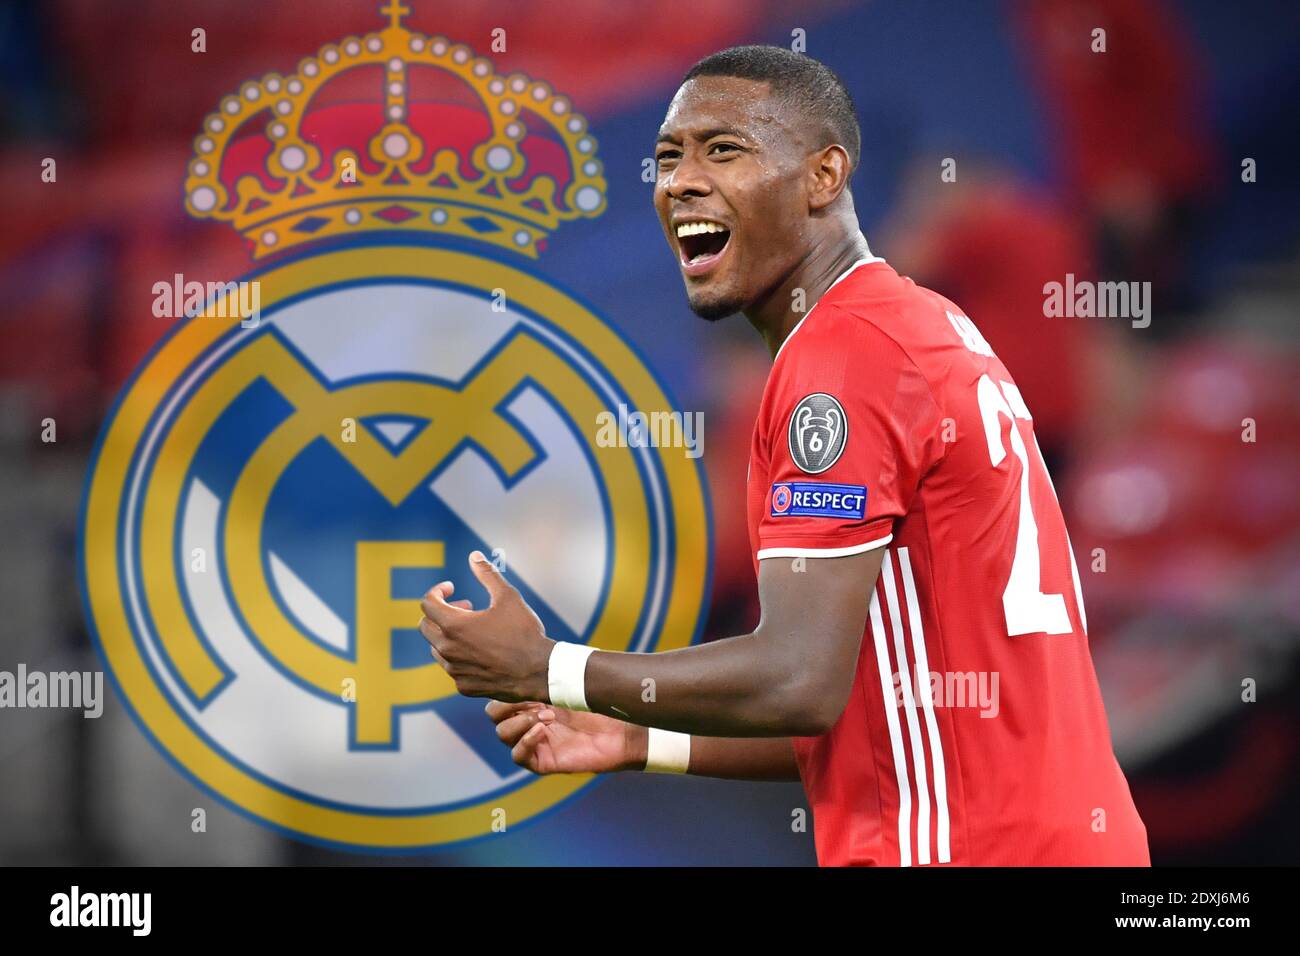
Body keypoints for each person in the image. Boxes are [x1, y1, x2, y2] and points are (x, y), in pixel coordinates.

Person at [418, 45, 1149, 866]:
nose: (681, 181)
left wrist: (549, 666)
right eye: (668, 157)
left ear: (824, 175)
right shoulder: (920, 324)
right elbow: (865, 714)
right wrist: (640, 738)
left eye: (723, 149)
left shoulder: (840, 362)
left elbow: (796, 677)